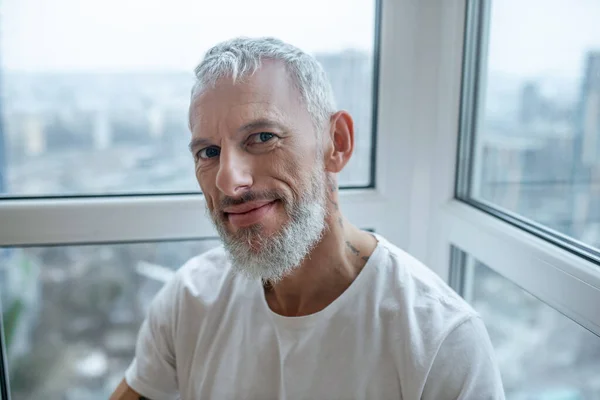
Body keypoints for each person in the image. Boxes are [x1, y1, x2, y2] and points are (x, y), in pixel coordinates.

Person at [110, 37, 504, 400]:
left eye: (263, 137)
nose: (229, 182)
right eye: (208, 153)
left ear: (338, 143)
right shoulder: (190, 299)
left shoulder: (441, 341)